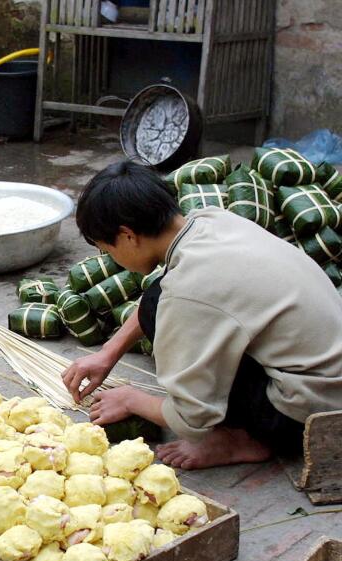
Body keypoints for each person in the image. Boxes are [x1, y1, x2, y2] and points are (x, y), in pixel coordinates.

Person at [62, 161, 342, 470]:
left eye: (107, 249)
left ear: (128, 236)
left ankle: (242, 440)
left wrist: (131, 398)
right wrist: (108, 353)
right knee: (157, 300)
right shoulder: (211, 221)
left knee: (176, 331)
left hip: (309, 412)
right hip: (328, 376)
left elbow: (190, 418)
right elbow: (163, 295)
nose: (110, 258)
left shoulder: (190, 289)